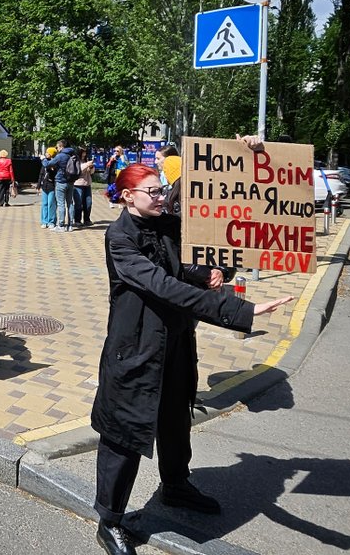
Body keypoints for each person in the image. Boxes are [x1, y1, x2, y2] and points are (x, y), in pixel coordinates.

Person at [93, 164, 294, 555]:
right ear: (128, 195)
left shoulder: (169, 223)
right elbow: (164, 286)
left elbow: (201, 246)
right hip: (134, 350)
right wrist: (241, 311)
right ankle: (110, 519)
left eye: (161, 189)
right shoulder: (119, 238)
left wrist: (250, 158)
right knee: (124, 433)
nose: (160, 196)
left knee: (175, 417)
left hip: (177, 341)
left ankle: (176, 485)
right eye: (152, 191)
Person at [43, 139, 78, 232]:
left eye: (57, 147)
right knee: (70, 203)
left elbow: (48, 164)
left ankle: (61, 225)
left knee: (61, 204)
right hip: (71, 182)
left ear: (61, 146)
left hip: (61, 181)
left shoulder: (60, 156)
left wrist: (44, 160)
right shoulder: (74, 154)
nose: (57, 149)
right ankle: (70, 225)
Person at [73, 148, 95, 226]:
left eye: (85, 152)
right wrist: (87, 164)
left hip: (87, 184)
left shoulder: (86, 160)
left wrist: (91, 167)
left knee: (88, 203)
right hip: (78, 184)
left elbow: (91, 172)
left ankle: (87, 219)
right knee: (78, 203)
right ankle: (77, 220)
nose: (84, 154)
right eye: (83, 152)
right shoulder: (76, 160)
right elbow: (79, 169)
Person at [38, 147, 58, 229]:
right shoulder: (44, 163)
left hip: (52, 186)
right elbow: (41, 174)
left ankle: (51, 221)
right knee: (44, 204)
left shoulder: (54, 162)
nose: (46, 154)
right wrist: (39, 184)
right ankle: (44, 221)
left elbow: (52, 172)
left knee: (51, 204)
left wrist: (45, 162)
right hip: (44, 186)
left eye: (47, 152)